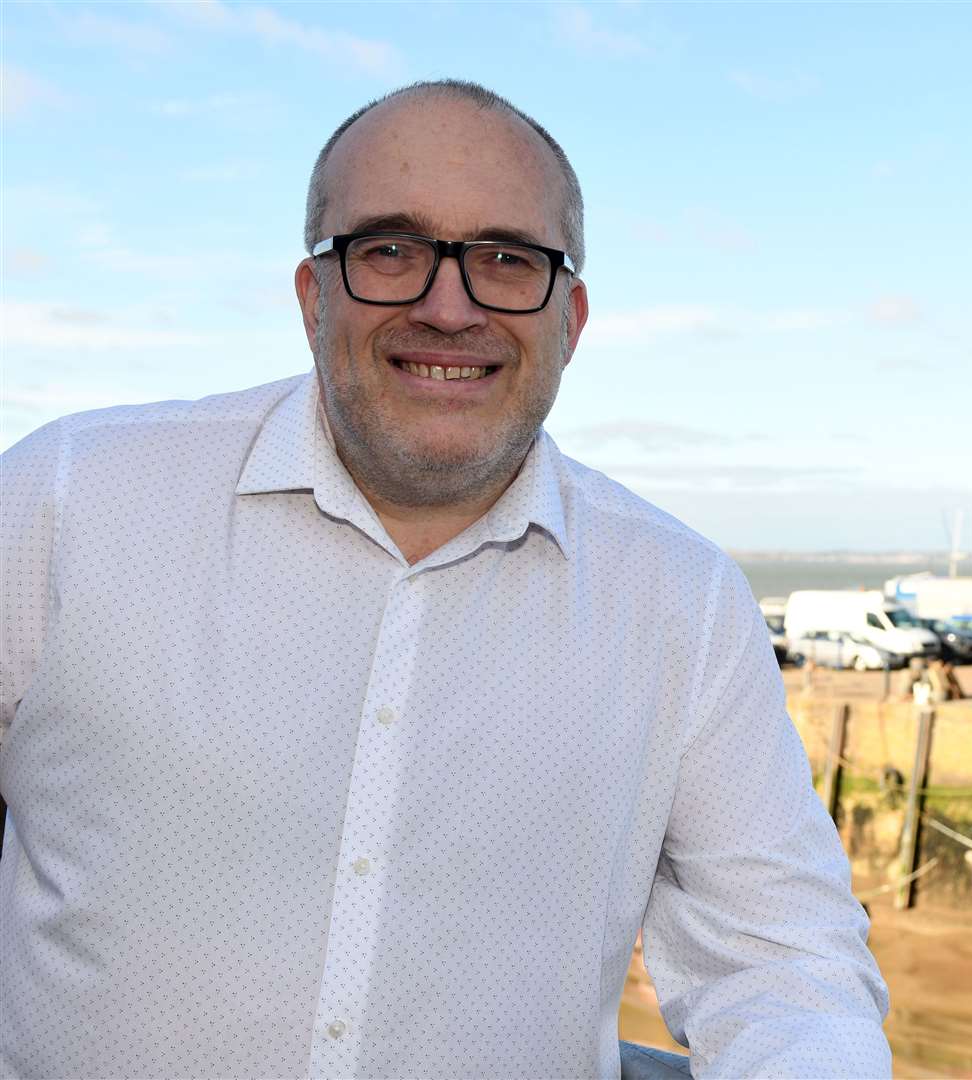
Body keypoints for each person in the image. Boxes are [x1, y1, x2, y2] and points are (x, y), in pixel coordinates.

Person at [0, 80, 890, 1078]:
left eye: (507, 259)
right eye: (391, 249)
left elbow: (779, 964)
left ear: (572, 317)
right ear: (312, 296)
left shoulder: (683, 600)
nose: (448, 306)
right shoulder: (62, 502)